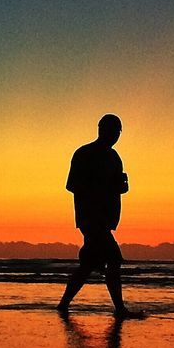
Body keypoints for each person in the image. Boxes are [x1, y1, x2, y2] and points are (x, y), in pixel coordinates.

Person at [57, 114, 144, 318]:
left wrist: (121, 187)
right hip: (90, 218)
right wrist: (102, 188)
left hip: (106, 220)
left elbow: (116, 188)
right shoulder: (84, 153)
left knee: (88, 265)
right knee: (114, 258)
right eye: (111, 130)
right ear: (100, 129)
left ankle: (63, 305)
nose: (114, 135)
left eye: (117, 132)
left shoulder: (114, 157)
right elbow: (72, 185)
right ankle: (120, 309)